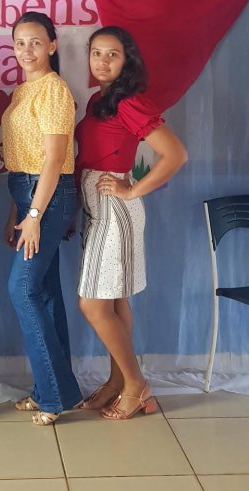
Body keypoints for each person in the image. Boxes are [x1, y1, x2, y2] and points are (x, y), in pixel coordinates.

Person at [76, 26, 187, 419]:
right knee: (114, 298)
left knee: (93, 304)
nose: (103, 61)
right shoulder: (98, 100)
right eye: (97, 53)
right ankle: (118, 381)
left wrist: (132, 190)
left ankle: (137, 386)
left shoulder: (129, 102)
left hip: (114, 209)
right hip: (95, 208)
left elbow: (175, 154)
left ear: (127, 61)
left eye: (113, 54)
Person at [1, 11, 82, 426]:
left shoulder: (53, 89)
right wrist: (17, 212)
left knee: (21, 289)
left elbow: (54, 159)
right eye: (20, 43)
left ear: (52, 45)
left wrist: (34, 214)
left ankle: (52, 395)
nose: (27, 50)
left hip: (47, 196)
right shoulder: (22, 91)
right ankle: (57, 388)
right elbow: (22, 160)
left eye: (35, 42)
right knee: (45, 291)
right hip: (26, 193)